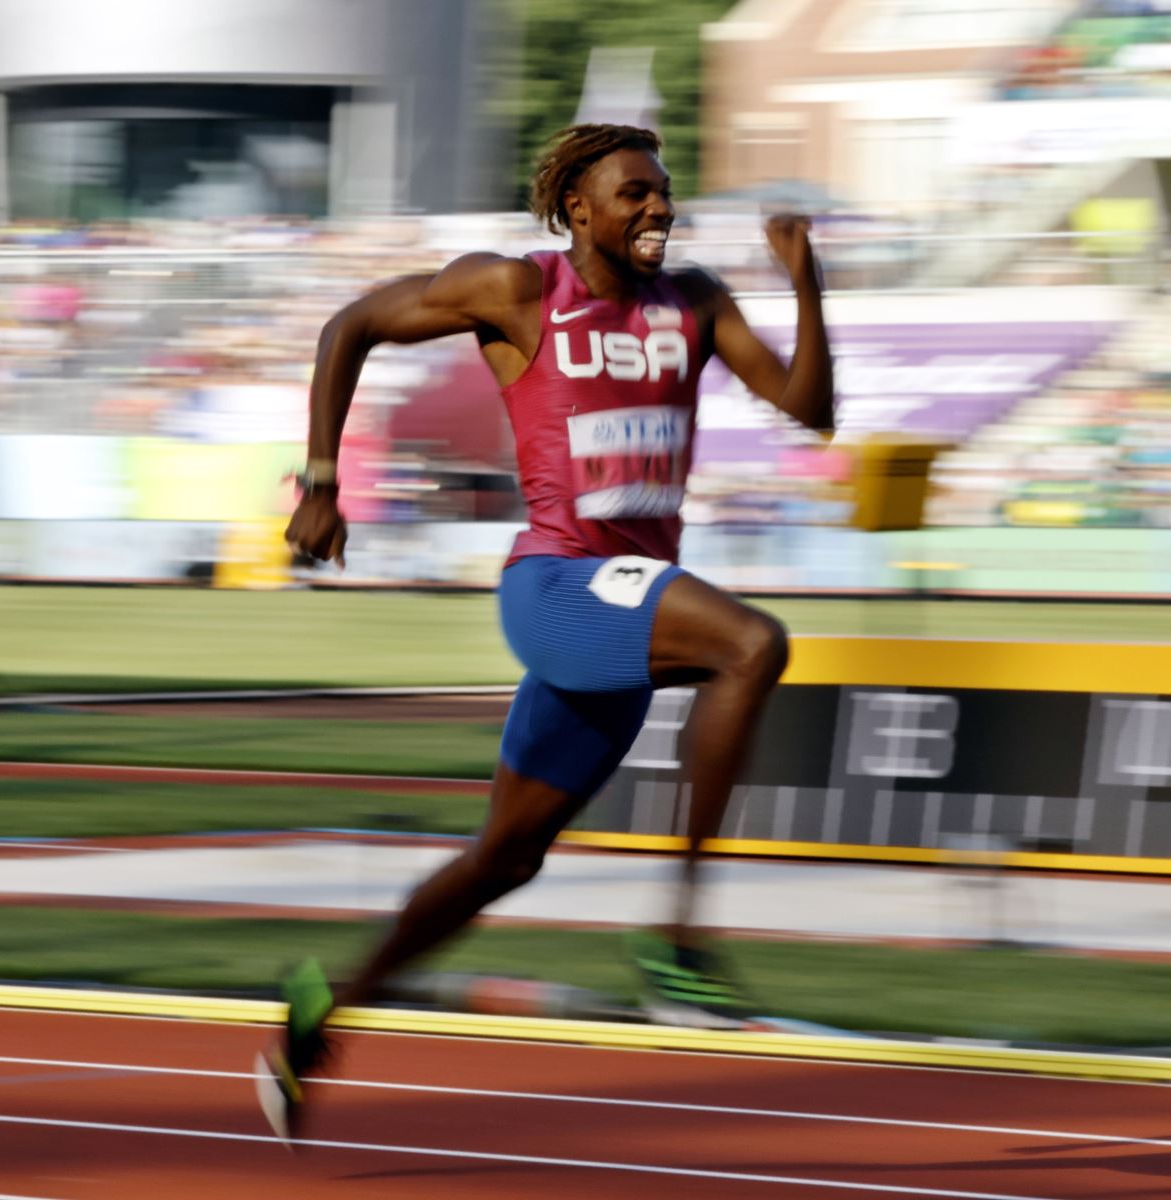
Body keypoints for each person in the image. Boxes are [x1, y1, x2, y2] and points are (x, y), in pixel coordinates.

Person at [257, 123, 833, 1140]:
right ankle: (678, 938)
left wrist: (807, 285)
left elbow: (810, 408)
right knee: (753, 644)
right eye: (635, 194)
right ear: (578, 208)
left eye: (665, 192)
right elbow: (349, 325)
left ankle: (322, 1008)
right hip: (559, 581)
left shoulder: (693, 302)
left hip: (627, 598)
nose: (659, 209)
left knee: (505, 858)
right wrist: (319, 481)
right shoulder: (515, 292)